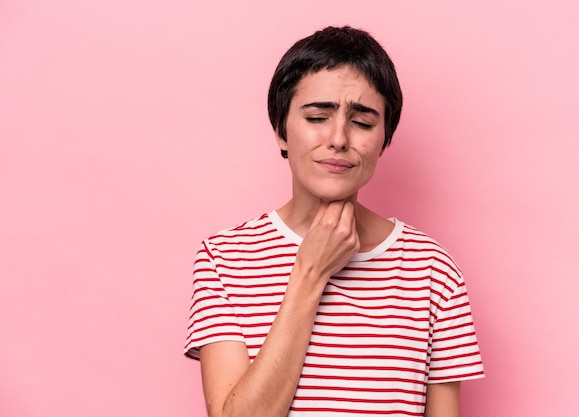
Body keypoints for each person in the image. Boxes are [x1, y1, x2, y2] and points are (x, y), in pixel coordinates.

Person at [184, 26, 484, 417]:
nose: (339, 138)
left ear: (384, 139)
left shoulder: (433, 270)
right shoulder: (224, 259)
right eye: (317, 116)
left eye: (362, 122)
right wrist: (310, 273)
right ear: (281, 131)